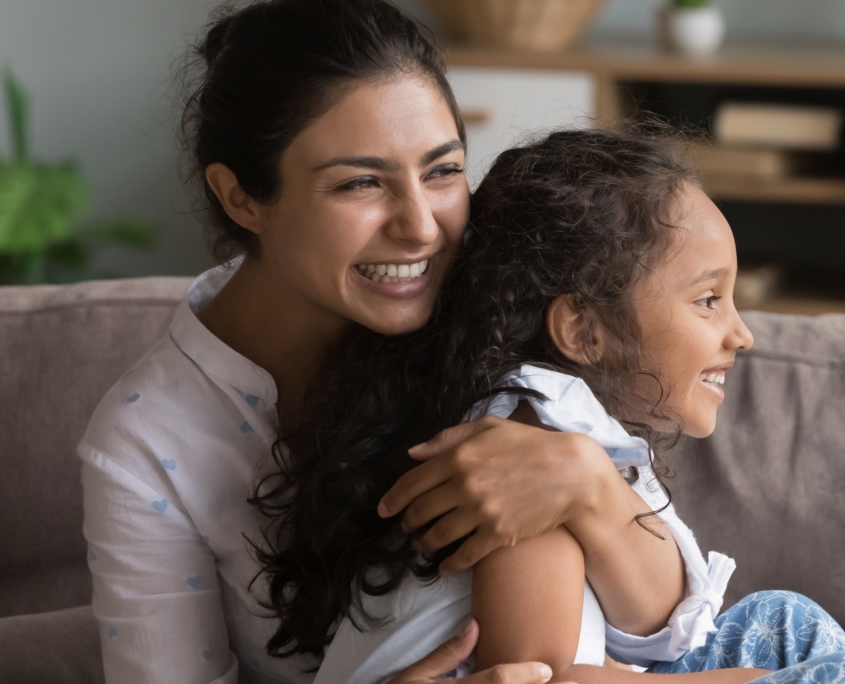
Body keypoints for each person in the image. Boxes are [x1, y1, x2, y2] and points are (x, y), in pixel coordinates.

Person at [77, 2, 696, 682]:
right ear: (241, 198)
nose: (422, 228)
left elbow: (674, 625)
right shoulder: (145, 443)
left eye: (442, 170)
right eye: (361, 182)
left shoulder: (492, 309)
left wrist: (590, 489)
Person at [260, 129, 845, 684]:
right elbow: (533, 679)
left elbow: (655, 614)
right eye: (708, 301)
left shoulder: (565, 440)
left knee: (785, 622)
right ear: (585, 331)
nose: (742, 334)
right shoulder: (516, 463)